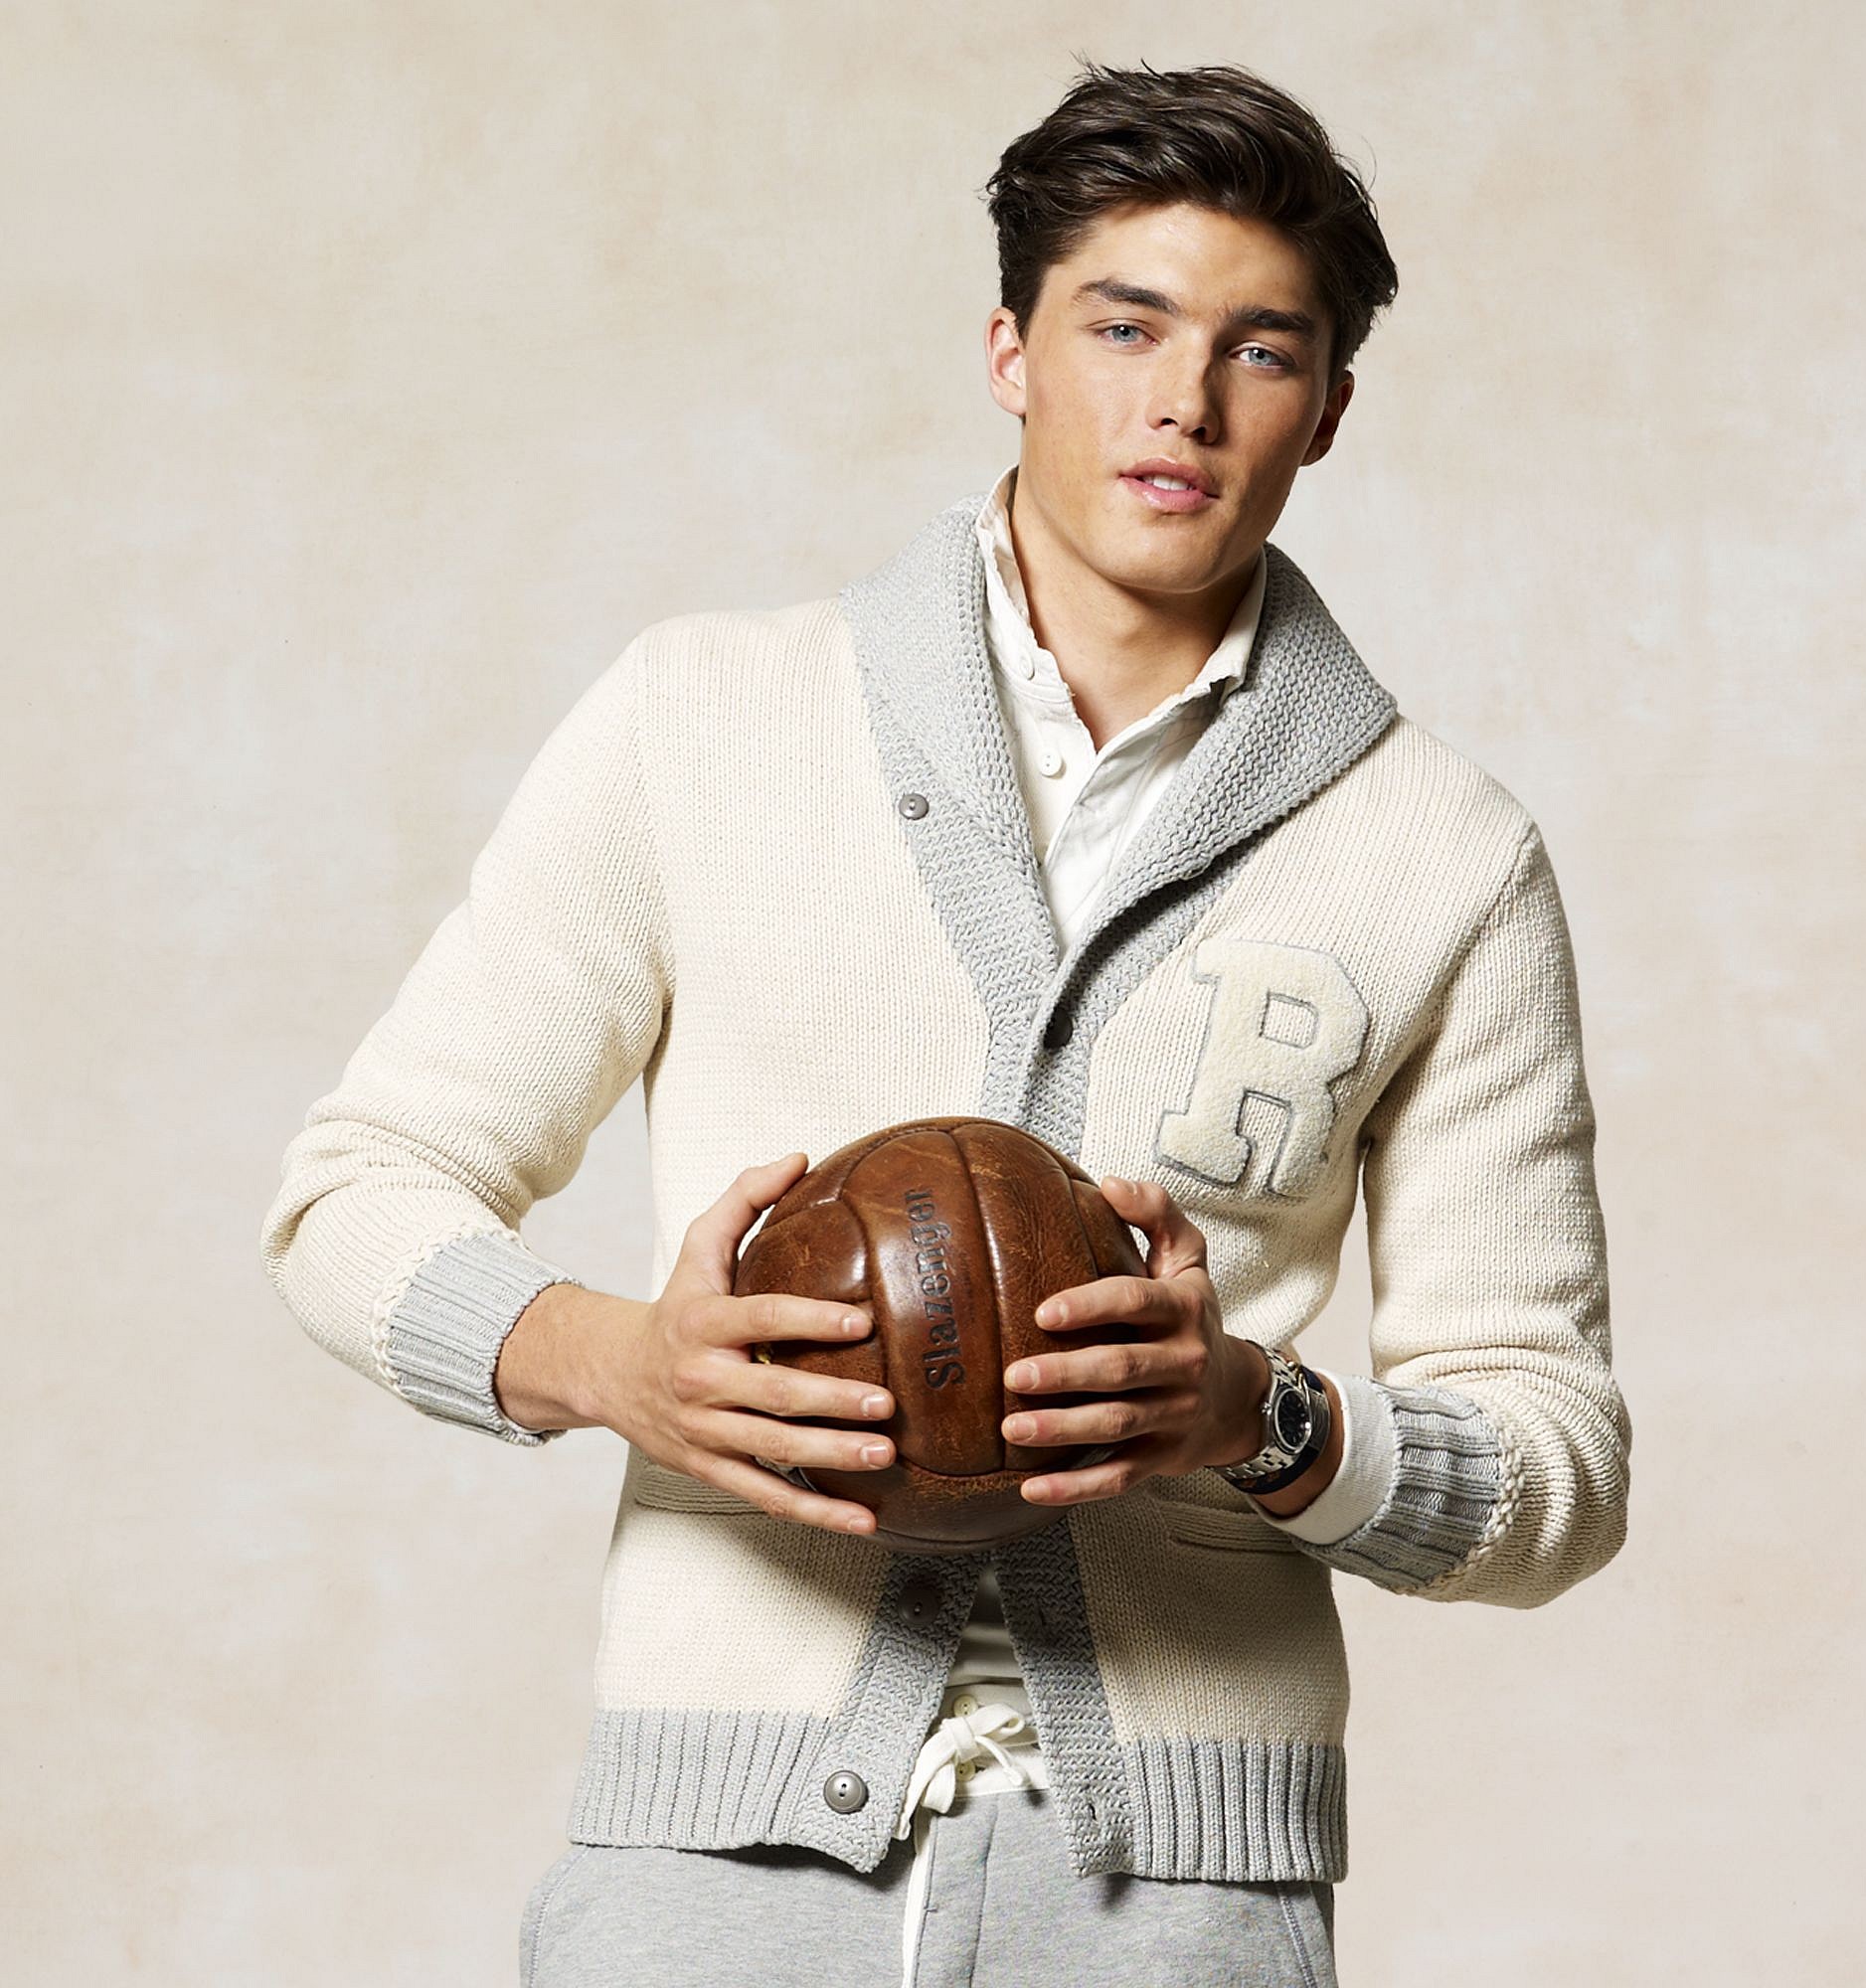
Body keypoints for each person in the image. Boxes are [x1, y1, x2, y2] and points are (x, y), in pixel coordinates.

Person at [259, 58, 1630, 1988]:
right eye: (1123, 326)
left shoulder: (1441, 854)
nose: (1182, 400)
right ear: (1009, 351)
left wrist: (1255, 1413)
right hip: (707, 1871)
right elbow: (353, 1197)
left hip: (1183, 1904)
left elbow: (1554, 1472)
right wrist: (619, 1362)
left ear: (1326, 407)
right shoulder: (703, 721)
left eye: (1259, 349)